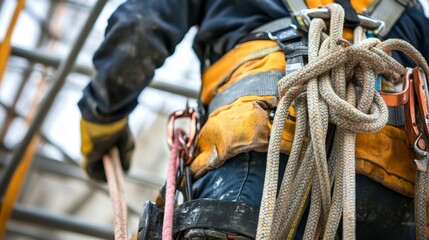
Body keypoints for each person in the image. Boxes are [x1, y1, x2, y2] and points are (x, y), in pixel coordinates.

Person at [78, 0, 429, 239]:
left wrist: (102, 117)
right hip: (396, 189)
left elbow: (141, 25)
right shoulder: (411, 12)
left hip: (258, 160)